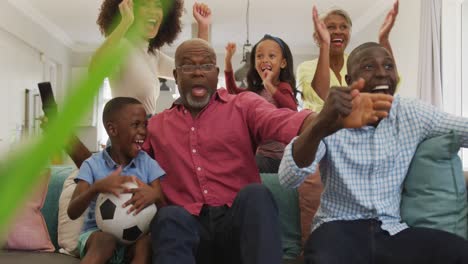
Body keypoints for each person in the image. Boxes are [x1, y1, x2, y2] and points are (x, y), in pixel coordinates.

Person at [143, 38, 392, 264]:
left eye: (206, 66)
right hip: (190, 233)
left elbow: (283, 121)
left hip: (238, 230)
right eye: (188, 66)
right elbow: (128, 164)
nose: (198, 72)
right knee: (169, 216)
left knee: (256, 194)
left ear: (216, 73)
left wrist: (326, 118)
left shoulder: (243, 105)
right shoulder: (155, 125)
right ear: (176, 75)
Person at [279, 42, 468, 264]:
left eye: (389, 66)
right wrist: (321, 125)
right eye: (369, 67)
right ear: (349, 81)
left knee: (458, 251)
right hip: (337, 229)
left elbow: (463, 129)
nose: (381, 73)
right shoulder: (330, 117)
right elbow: (288, 178)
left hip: (391, 231)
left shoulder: (411, 112)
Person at [67, 97, 166, 264]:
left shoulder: (148, 164)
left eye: (145, 125)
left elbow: (163, 205)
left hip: (136, 237)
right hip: (96, 236)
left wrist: (154, 195)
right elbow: (72, 212)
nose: (143, 131)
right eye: (136, 125)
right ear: (112, 129)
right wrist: (96, 188)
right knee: (105, 241)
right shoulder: (92, 165)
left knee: (145, 243)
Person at [91, 0, 212, 116]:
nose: (153, 11)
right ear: (129, 8)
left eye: (158, 5)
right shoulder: (122, 46)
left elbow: (192, 69)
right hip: (126, 134)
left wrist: (203, 27)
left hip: (145, 133)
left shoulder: (154, 55)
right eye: (144, 4)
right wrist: (124, 22)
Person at [297, 1, 399, 112]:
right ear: (317, 36)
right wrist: (325, 44)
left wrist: (384, 39)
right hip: (323, 127)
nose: (338, 31)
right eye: (331, 27)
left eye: (343, 27)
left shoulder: (357, 62)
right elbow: (321, 97)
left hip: (357, 127)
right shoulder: (305, 68)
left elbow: (387, 84)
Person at [224, 35, 298, 173]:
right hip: (261, 153)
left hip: (281, 156)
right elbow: (233, 91)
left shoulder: (283, 87)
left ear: (283, 63)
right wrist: (228, 60)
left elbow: (292, 109)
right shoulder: (256, 92)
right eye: (259, 56)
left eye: (271, 56)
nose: (265, 60)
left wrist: (269, 84)